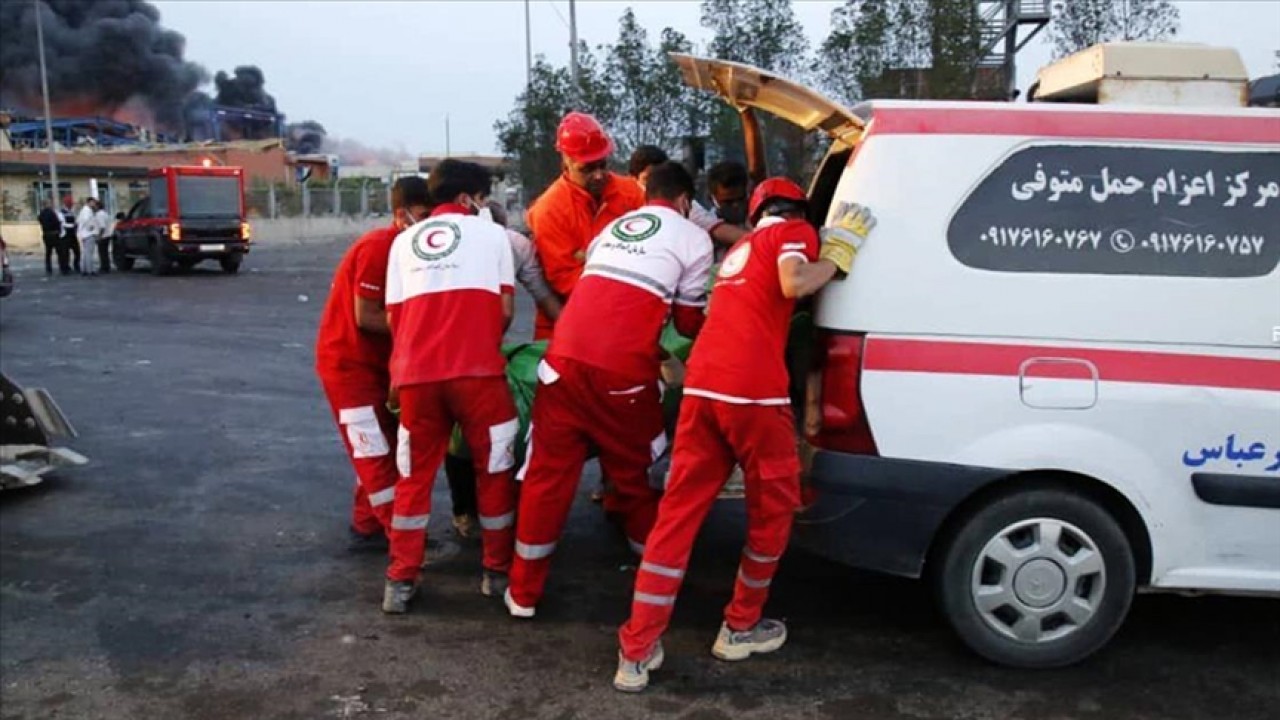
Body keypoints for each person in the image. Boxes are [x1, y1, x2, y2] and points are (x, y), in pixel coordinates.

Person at [613, 179, 875, 692]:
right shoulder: (792, 232)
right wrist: (837, 255)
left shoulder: (741, 249)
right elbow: (794, 283)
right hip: (753, 395)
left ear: (754, 212)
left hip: (703, 389)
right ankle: (740, 626)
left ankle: (636, 652)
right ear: (798, 210)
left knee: (676, 520)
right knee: (772, 511)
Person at [505, 162, 714, 619]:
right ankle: (656, 576)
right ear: (684, 201)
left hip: (560, 363)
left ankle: (522, 594)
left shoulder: (613, 229)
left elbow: (605, 301)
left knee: (546, 479)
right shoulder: (693, 238)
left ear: (647, 194)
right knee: (636, 476)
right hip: (622, 376)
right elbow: (686, 322)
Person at [382, 159, 520, 614]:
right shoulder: (494, 236)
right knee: (494, 471)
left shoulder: (402, 242)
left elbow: (395, 319)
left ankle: (400, 580)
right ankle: (496, 572)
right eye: (482, 198)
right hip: (478, 376)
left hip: (417, 379)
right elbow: (504, 310)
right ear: (467, 198)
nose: (484, 205)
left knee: (414, 478)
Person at [315, 176, 432, 553]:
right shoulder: (381, 247)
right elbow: (366, 316)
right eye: (423, 216)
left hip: (379, 367)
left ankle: (367, 527)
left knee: (389, 448)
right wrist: (422, 330)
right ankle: (404, 542)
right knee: (375, 456)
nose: (429, 225)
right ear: (401, 214)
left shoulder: (407, 249)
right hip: (349, 369)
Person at [442, 199, 563, 539]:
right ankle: (476, 509)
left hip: (465, 347)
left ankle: (472, 509)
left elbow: (539, 294)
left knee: (471, 434)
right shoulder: (504, 245)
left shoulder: (512, 246)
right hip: (463, 345)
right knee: (479, 433)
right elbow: (526, 302)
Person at [525, 111, 645, 341]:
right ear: (566, 161)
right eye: (588, 168)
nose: (599, 175)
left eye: (602, 165)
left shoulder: (632, 193)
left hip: (626, 319)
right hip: (566, 328)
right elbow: (565, 279)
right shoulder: (549, 211)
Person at [627, 146, 746, 247]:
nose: (655, 185)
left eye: (661, 179)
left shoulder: (683, 203)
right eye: (648, 179)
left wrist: (756, 241)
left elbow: (717, 229)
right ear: (633, 178)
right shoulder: (624, 202)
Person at [37, 200, 68, 276]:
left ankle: (48, 268)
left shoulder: (41, 214)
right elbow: (56, 222)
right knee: (59, 252)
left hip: (46, 234)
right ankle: (63, 268)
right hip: (54, 234)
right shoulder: (52, 213)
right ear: (47, 204)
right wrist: (59, 230)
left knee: (48, 252)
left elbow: (40, 221)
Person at [75, 198, 99, 276]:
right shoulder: (87, 211)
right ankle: (90, 270)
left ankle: (85, 269)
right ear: (89, 202)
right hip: (89, 233)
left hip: (84, 234)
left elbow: (78, 221)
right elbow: (87, 220)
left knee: (85, 253)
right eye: (93, 202)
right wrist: (90, 227)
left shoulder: (83, 211)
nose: (94, 204)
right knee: (89, 253)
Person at [59, 195, 79, 275]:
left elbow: (76, 220)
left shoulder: (72, 211)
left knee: (77, 251)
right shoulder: (61, 212)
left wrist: (76, 225)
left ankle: (76, 265)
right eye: (70, 203)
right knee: (65, 253)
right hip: (65, 235)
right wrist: (72, 225)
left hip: (73, 234)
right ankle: (65, 268)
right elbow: (62, 224)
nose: (71, 205)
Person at [95, 203, 116, 274]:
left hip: (103, 236)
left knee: (102, 252)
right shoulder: (105, 214)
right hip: (107, 235)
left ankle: (104, 267)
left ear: (98, 206)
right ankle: (107, 266)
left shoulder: (99, 215)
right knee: (105, 252)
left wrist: (99, 236)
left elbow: (102, 227)